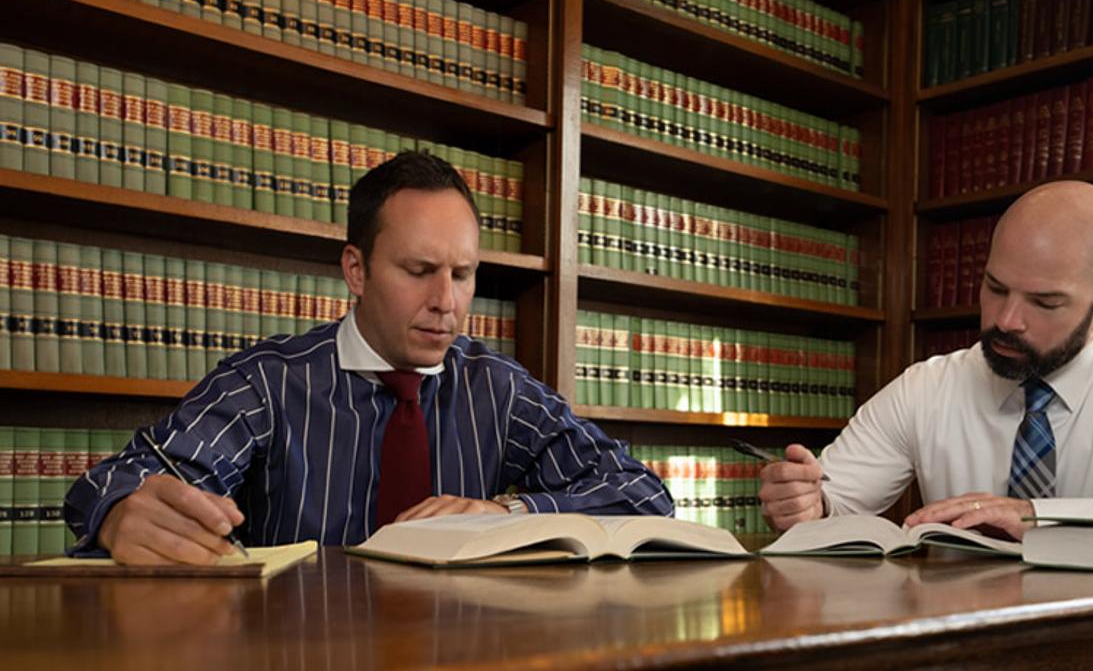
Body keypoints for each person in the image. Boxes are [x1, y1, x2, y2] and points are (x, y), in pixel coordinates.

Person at [65, 151, 673, 565]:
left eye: (463, 274)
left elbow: (642, 494)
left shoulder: (497, 389)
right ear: (356, 271)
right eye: (419, 270)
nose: (446, 302)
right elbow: (121, 480)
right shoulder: (266, 384)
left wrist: (506, 510)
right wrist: (121, 514)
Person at [758, 180, 1093, 559]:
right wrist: (804, 506)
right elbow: (832, 504)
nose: (1006, 320)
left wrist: (1040, 518)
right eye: (995, 288)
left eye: (1045, 302)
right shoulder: (927, 387)